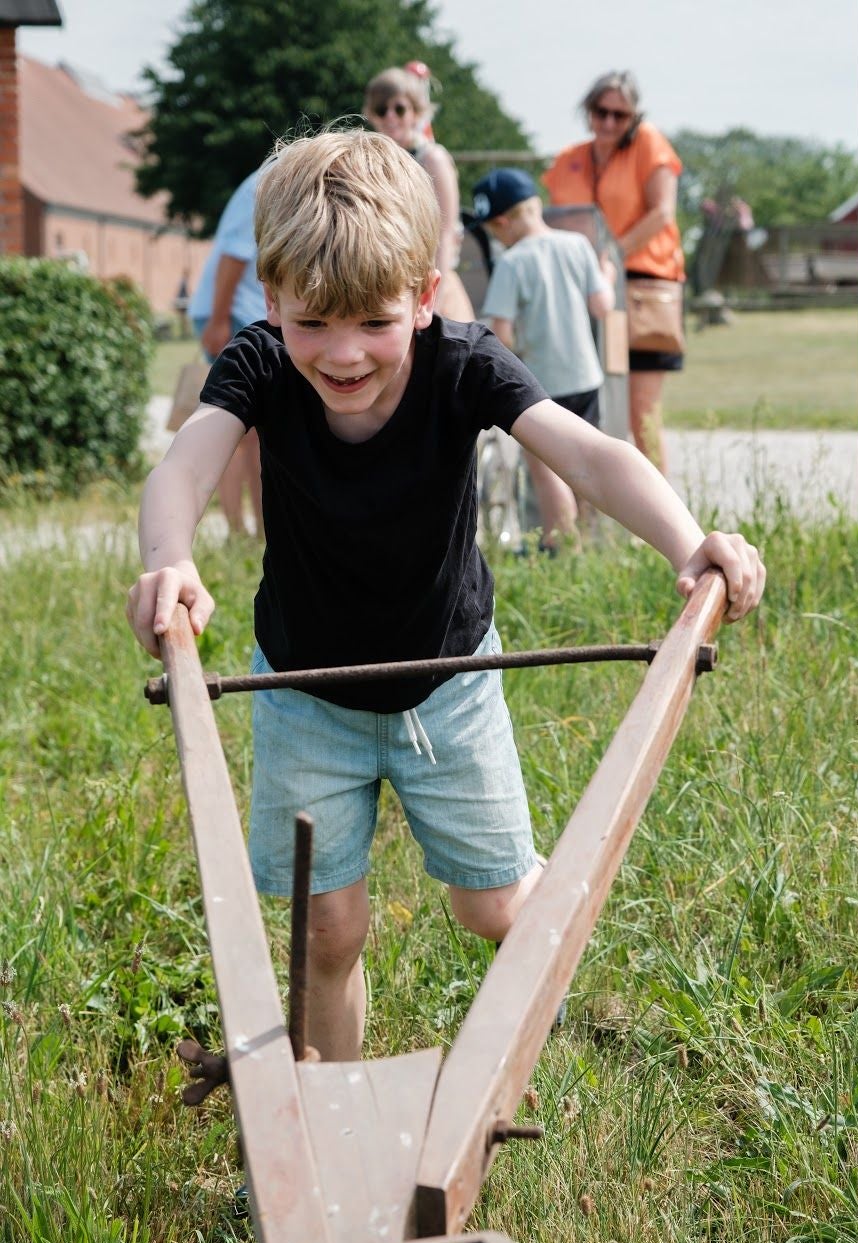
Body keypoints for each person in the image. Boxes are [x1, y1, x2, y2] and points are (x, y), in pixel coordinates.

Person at [126, 129, 765, 1064]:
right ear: (272, 299)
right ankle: (329, 1117)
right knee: (327, 932)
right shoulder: (259, 362)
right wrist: (169, 559)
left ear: (424, 296)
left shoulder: (465, 363)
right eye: (312, 323)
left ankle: (542, 990)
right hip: (303, 693)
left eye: (374, 323)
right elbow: (182, 467)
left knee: (495, 909)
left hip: (449, 685)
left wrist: (689, 539)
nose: (342, 355)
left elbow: (588, 453)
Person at [544, 70, 685, 474]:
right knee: (588, 407)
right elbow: (557, 219)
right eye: (600, 112)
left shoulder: (648, 144)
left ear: (634, 117)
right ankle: (593, 520)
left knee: (640, 409)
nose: (608, 122)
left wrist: (612, 255)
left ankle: (661, 525)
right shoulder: (569, 159)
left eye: (619, 115)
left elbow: (662, 212)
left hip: (641, 289)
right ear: (588, 111)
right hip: (585, 293)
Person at [474, 165, 616, 552]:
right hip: (586, 377)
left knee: (546, 469)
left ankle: (558, 546)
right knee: (588, 459)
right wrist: (606, 274)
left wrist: (518, 344)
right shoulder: (577, 244)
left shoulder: (512, 261)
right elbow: (602, 306)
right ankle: (589, 539)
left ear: (503, 222)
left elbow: (500, 333)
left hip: (542, 387)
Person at [187, 168, 266, 537]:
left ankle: (254, 532)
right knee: (239, 428)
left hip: (241, 314)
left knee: (248, 431)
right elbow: (234, 255)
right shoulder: (268, 184)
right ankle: (243, 532)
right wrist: (219, 321)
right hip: (234, 315)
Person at [363, 65, 475, 321]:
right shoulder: (373, 162)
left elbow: (446, 233)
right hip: (390, 284)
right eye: (382, 109)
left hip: (433, 280)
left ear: (415, 112)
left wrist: (435, 296)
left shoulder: (432, 158)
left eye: (399, 108)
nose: (390, 116)